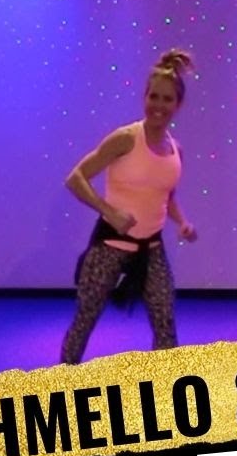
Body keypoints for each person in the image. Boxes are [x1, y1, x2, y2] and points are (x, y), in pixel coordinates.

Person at [60, 49, 198, 364]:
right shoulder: (125, 139)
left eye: (167, 99)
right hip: (109, 246)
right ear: (144, 97)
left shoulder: (176, 150)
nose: (158, 105)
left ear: (178, 105)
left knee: (165, 324)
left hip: (151, 250)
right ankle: (63, 380)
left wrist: (182, 222)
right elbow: (75, 178)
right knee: (85, 319)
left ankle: (166, 388)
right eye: (153, 97)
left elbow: (166, 196)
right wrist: (109, 211)